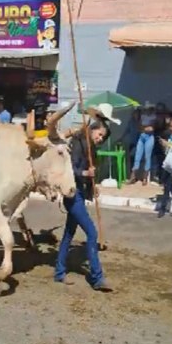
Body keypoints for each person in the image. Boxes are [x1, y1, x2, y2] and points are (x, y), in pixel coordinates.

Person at [55, 120, 112, 291]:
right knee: (92, 232)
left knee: (68, 234)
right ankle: (97, 278)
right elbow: (70, 169)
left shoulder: (90, 148)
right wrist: (86, 173)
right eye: (99, 134)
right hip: (72, 193)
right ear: (92, 130)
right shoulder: (78, 143)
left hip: (79, 192)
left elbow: (88, 173)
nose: (100, 138)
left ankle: (59, 272)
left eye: (103, 137)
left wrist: (92, 187)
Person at [129, 101, 157, 185]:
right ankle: (133, 176)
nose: (146, 110)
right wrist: (145, 128)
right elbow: (139, 126)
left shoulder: (154, 117)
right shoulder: (142, 116)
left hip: (149, 137)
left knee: (147, 157)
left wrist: (143, 128)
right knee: (137, 156)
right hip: (142, 137)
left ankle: (145, 178)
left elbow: (151, 129)